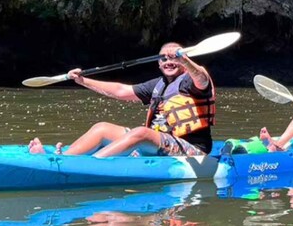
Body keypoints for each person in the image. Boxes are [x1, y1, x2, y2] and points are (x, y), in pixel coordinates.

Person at [28, 42, 215, 157]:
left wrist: (185, 60)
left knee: (141, 132)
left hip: (192, 149)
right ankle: (64, 160)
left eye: (173, 58)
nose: (169, 61)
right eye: (163, 58)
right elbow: (120, 90)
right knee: (102, 128)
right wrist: (81, 81)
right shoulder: (157, 85)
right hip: (158, 142)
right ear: (158, 63)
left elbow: (202, 78)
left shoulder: (190, 81)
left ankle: (92, 166)